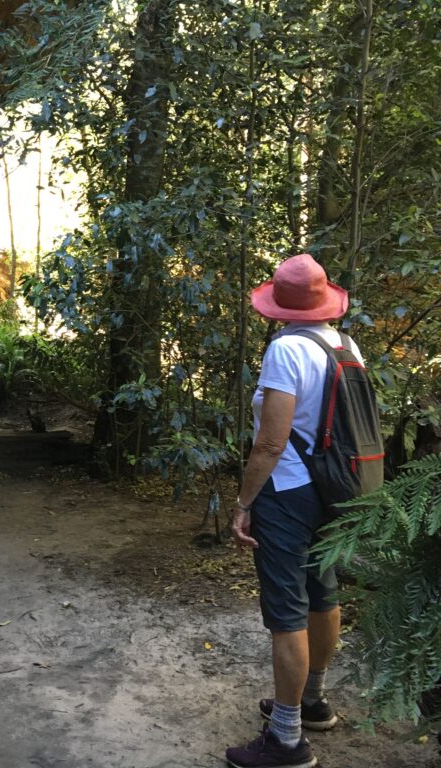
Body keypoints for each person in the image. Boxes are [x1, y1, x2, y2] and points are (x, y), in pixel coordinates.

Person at [227, 254, 357, 768]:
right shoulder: (344, 344)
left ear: (280, 305)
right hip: (337, 487)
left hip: (290, 492)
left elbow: (271, 441)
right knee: (323, 595)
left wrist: (244, 504)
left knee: (287, 611)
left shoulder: (286, 349)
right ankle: (313, 701)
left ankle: (286, 739)